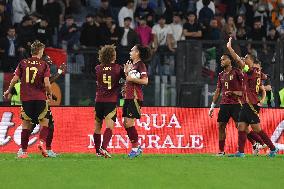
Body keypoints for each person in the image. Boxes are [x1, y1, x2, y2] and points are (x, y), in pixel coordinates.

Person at [226, 37, 278, 157]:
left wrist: (230, 48)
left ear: (252, 61)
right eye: (244, 58)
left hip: (251, 104)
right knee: (241, 126)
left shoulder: (249, 70)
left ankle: (273, 148)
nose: (244, 59)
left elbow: (237, 60)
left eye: (246, 58)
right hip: (246, 103)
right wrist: (266, 81)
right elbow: (265, 77)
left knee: (257, 129)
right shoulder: (256, 71)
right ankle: (241, 152)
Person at [3, 40, 52, 158]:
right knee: (45, 122)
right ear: (40, 51)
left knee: (25, 125)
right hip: (40, 98)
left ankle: (23, 152)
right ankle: (41, 143)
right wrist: (49, 94)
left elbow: (14, 79)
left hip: (26, 99)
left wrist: (8, 90)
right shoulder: (44, 64)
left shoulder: (23, 63)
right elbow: (46, 82)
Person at [93, 45, 124, 158]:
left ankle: (97, 152)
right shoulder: (118, 68)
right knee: (109, 126)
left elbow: (98, 82)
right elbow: (125, 79)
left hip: (99, 100)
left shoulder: (97, 68)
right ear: (112, 55)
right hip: (110, 101)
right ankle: (103, 148)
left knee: (97, 126)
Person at [209, 54, 244, 156]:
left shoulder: (237, 72)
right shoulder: (221, 75)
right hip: (224, 104)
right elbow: (218, 91)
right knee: (221, 126)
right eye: (221, 60)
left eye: (223, 59)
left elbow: (244, 86)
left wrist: (236, 93)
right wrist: (212, 106)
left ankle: (253, 143)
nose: (221, 61)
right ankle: (221, 151)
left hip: (236, 103)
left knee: (241, 127)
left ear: (229, 60)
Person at [123, 44, 151, 158]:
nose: (130, 51)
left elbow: (145, 81)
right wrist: (126, 73)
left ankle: (135, 149)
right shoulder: (133, 66)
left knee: (129, 123)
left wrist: (130, 77)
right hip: (128, 97)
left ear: (137, 53)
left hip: (135, 97)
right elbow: (129, 80)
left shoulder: (141, 65)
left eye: (132, 50)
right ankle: (137, 147)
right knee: (126, 123)